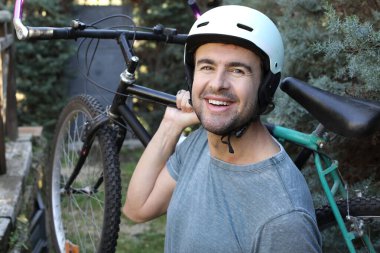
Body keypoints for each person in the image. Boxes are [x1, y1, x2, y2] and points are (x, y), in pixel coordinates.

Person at [123, 5, 322, 253]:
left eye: (237, 70)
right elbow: (137, 208)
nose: (217, 84)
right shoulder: (200, 143)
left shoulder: (282, 217)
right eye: (206, 67)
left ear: (266, 86)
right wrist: (170, 124)